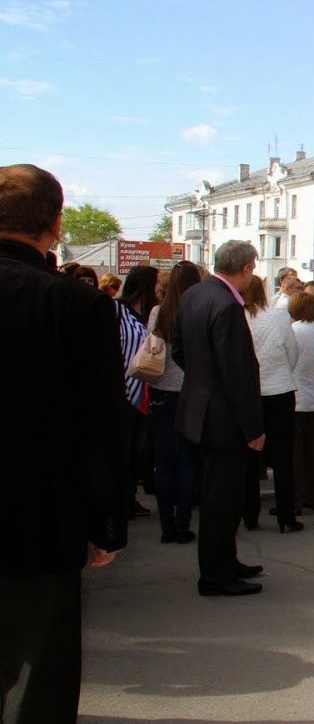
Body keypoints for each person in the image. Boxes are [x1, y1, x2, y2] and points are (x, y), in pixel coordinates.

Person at [1, 164, 128, 721]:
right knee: (39, 673)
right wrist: (105, 524)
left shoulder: (75, 303)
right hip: (39, 515)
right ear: (54, 225)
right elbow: (101, 423)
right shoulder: (76, 304)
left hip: (39, 511)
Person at [172, 239, 266, 597]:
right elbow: (238, 374)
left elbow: (179, 349)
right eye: (252, 269)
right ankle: (215, 574)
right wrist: (253, 428)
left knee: (220, 495)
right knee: (220, 500)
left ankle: (226, 560)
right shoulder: (225, 304)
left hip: (201, 410)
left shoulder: (194, 295)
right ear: (244, 269)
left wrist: (201, 379)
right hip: (223, 419)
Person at [147, 260, 204, 544]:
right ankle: (183, 524)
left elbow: (151, 351)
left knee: (164, 461)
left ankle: (166, 526)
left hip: (161, 391)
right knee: (186, 461)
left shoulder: (159, 313)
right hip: (190, 391)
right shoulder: (198, 310)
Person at [243, 275, 302, 533]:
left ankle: (249, 514)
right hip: (279, 389)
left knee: (248, 455)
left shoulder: (239, 317)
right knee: (283, 454)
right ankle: (286, 516)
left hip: (251, 392)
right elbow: (292, 350)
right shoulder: (278, 317)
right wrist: (283, 372)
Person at [116, 265, 160, 518]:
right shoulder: (118, 311)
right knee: (126, 447)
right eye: (155, 282)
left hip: (146, 389)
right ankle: (121, 498)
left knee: (138, 450)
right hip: (124, 390)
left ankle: (129, 496)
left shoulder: (150, 314)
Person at [288, 292, 314, 512]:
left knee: (295, 451)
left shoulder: (292, 331)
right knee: (313, 450)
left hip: (294, 396)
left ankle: (296, 497)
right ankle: (313, 494)